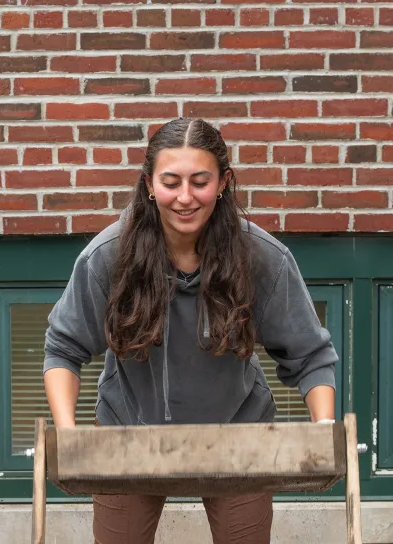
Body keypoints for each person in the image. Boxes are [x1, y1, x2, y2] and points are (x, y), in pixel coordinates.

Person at [42, 118, 337, 544]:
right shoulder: (108, 257)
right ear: (148, 184)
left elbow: (310, 355)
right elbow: (63, 349)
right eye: (171, 181)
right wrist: (68, 439)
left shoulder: (262, 258)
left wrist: (323, 432)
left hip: (238, 438)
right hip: (129, 437)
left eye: (200, 181)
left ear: (223, 183)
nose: (185, 197)